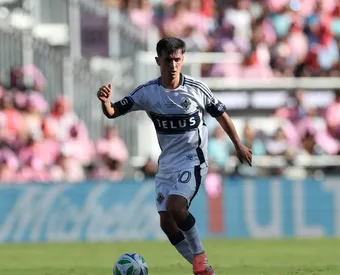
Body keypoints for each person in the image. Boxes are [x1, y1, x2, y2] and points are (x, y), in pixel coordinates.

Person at [97, 36, 252, 275]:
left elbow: (221, 115)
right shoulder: (148, 93)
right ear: (158, 60)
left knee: (175, 207)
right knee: (166, 223)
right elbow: (113, 112)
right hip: (167, 164)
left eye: (177, 59)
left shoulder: (196, 89)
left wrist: (238, 144)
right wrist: (106, 102)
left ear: (183, 59)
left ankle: (199, 257)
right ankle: (203, 270)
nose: (173, 65)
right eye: (168, 59)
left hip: (193, 160)